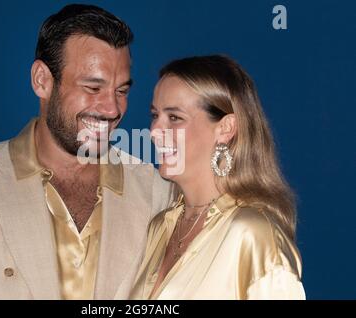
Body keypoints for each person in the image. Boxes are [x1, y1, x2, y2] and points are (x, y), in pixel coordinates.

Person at [0, 4, 173, 299]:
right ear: (42, 80)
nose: (112, 109)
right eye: (93, 88)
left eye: (121, 91)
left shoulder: (156, 190)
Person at [131, 55, 306, 299]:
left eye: (174, 118)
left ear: (225, 128)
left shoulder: (253, 234)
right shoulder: (161, 227)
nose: (154, 132)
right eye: (155, 115)